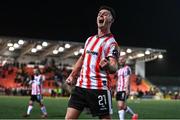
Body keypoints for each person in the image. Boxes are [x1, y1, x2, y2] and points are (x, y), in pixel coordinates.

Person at [65, 5, 119, 120]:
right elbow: (82, 58)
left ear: (111, 20)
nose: (101, 15)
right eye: (99, 14)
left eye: (105, 14)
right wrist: (73, 75)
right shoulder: (90, 39)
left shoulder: (112, 43)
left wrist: (108, 65)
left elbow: (114, 66)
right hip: (81, 86)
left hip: (99, 88)